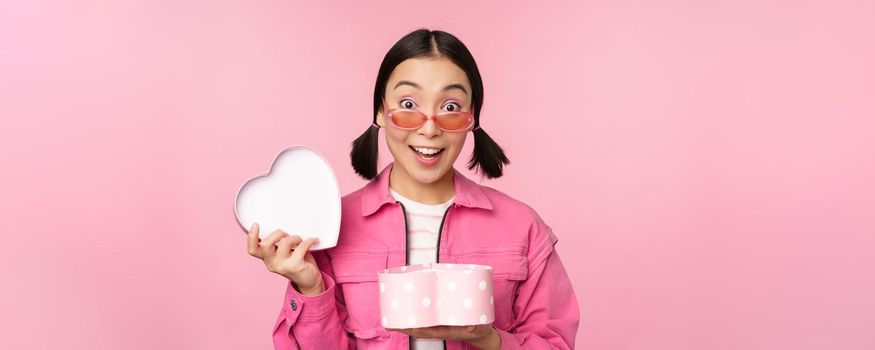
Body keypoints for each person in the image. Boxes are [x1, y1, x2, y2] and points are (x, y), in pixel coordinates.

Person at [246, 28, 580, 349]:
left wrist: (487, 339)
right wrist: (310, 286)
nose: (430, 128)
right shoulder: (332, 225)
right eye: (408, 105)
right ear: (380, 110)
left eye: (450, 107)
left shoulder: (522, 228)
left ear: (472, 117)